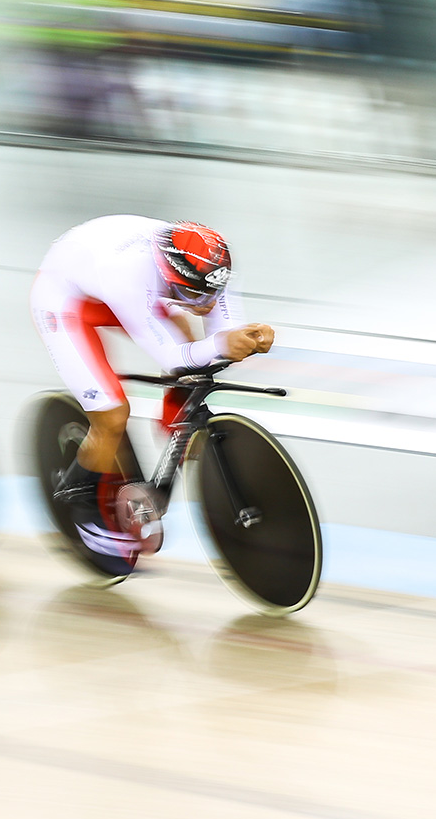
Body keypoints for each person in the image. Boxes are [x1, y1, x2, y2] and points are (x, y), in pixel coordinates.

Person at [31, 215, 275, 571]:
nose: (206, 302)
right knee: (112, 415)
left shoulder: (210, 268)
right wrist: (222, 343)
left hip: (105, 278)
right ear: (170, 274)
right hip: (64, 301)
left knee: (194, 355)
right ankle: (79, 497)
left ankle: (175, 427)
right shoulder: (127, 276)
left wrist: (246, 338)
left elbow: (223, 327)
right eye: (194, 293)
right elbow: (171, 356)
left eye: (212, 292)